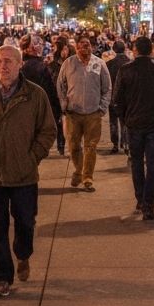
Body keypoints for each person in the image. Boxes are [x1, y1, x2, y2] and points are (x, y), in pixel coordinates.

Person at [0, 44, 55, 297]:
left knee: (25, 222)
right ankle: (2, 277)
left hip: (23, 173)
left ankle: (23, 254)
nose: (3, 66)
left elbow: (48, 130)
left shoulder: (35, 95)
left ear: (21, 64)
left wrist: (33, 157)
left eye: (9, 61)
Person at [111, 36, 154, 220]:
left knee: (137, 162)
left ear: (135, 50)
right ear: (152, 51)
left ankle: (141, 198)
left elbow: (117, 100)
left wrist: (125, 118)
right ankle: (149, 203)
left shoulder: (125, 70)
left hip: (135, 123)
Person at [56, 36, 111, 191]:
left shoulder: (99, 63)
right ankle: (79, 171)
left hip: (93, 113)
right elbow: (60, 85)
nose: (85, 48)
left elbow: (107, 87)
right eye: (82, 45)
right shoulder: (69, 63)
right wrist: (64, 104)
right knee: (73, 146)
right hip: (73, 113)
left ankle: (87, 178)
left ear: (91, 47)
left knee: (91, 147)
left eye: (87, 45)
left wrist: (102, 107)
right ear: (77, 47)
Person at [105, 40, 130, 155]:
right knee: (124, 121)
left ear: (114, 50)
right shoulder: (130, 63)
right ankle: (125, 143)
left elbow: (106, 82)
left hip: (113, 97)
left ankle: (115, 143)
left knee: (113, 121)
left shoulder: (109, 64)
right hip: (126, 97)